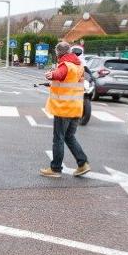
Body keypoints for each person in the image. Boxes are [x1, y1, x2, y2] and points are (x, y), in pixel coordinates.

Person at [40, 41, 91, 178]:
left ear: (59, 54)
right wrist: (51, 84)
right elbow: (68, 83)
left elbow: (60, 74)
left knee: (58, 138)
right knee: (69, 137)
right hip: (76, 108)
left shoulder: (65, 64)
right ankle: (83, 163)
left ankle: (55, 169)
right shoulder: (78, 65)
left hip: (64, 109)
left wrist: (50, 75)